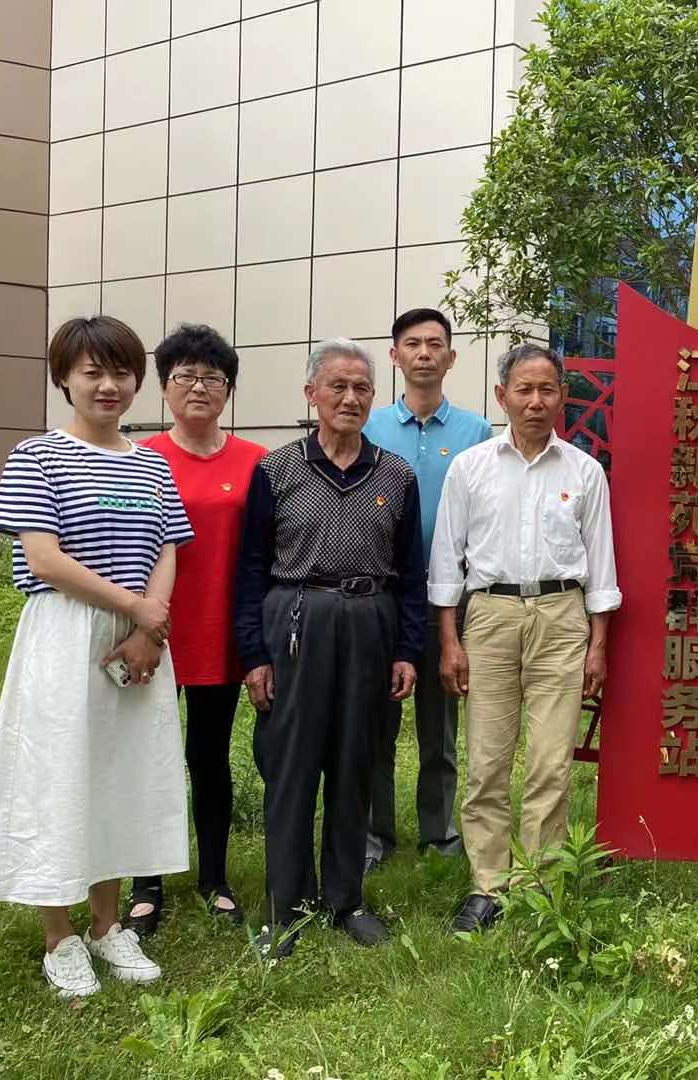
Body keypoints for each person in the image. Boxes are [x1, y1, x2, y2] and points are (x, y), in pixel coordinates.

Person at [0, 316, 193, 997]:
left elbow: (167, 547)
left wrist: (149, 628)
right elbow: (44, 559)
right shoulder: (36, 456)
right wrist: (136, 609)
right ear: (64, 378)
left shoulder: (151, 461)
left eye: (121, 372)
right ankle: (58, 936)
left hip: (138, 637)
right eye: (92, 372)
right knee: (58, 775)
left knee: (123, 775)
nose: (108, 385)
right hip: (65, 635)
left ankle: (106, 925)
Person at [234, 338, 428, 955]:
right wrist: (253, 656)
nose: (350, 398)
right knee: (291, 766)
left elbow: (412, 575)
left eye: (361, 388)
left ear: (374, 397)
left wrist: (407, 649)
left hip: (370, 623)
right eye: (337, 386)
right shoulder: (276, 470)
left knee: (355, 762)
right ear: (311, 393)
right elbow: (250, 569)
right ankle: (285, 906)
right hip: (296, 621)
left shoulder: (396, 475)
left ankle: (346, 900)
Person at [430, 343, 621, 933]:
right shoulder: (471, 468)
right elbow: (446, 561)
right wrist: (449, 640)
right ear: (501, 396)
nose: (536, 401)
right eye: (524, 390)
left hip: (562, 619)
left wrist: (598, 644)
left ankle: (539, 886)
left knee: (550, 764)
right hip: (489, 616)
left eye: (547, 390)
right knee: (486, 762)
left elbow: (602, 565)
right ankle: (487, 884)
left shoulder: (584, 472)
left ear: (563, 397)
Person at [121, 325, 268, 936]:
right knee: (146, 756)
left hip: (219, 634)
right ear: (164, 386)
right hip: (151, 631)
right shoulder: (139, 458)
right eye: (185, 376)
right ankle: (145, 884)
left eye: (213, 377)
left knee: (208, 758)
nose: (199, 387)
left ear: (228, 389)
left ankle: (214, 878)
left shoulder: (257, 463)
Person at [361, 308, 493, 869]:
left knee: (441, 725)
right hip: (382, 593)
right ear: (395, 356)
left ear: (451, 357)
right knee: (376, 722)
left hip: (448, 598)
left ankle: (439, 834)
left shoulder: (476, 432)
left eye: (435, 344)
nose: (423, 353)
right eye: (412, 344)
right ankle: (374, 836)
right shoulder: (369, 427)